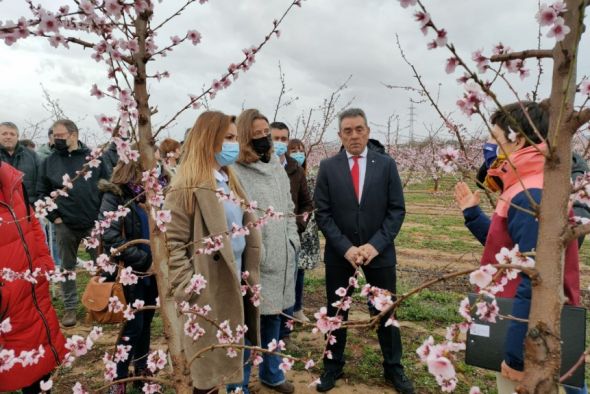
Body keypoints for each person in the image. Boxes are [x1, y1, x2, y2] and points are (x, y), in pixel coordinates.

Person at [454, 101, 582, 394]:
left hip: (530, 333)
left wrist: (516, 354)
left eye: (495, 139)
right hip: (534, 326)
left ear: (518, 139)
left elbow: (534, 279)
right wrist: (473, 215)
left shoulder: (530, 192)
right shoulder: (529, 183)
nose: (490, 146)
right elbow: (512, 253)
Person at [314, 108, 413, 393]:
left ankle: (394, 368)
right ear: (340, 135)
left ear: (368, 131)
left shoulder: (386, 164)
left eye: (359, 129)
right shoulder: (328, 167)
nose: (354, 135)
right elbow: (323, 213)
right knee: (336, 312)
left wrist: (375, 245)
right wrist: (345, 247)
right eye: (348, 131)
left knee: (385, 312)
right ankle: (332, 366)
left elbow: (397, 210)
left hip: (378, 252)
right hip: (340, 254)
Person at [164, 111, 261, 394]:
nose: (235, 144)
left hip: (236, 280)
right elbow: (174, 244)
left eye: (235, 138)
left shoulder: (229, 180)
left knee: (231, 356)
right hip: (209, 290)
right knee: (207, 370)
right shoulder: (186, 187)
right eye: (228, 138)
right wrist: (189, 287)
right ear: (210, 140)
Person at [233, 109, 299, 394]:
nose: (263, 139)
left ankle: (272, 374)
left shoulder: (277, 168)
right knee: (248, 324)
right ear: (245, 136)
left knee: (274, 318)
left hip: (284, 257)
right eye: (256, 134)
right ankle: (239, 383)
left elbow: (290, 208)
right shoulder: (236, 171)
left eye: (266, 134)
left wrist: (292, 241)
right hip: (255, 260)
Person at [0, 159, 67, 393]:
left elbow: (31, 224)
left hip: (33, 289)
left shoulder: (14, 184)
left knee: (39, 363)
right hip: (8, 300)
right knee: (18, 364)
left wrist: (44, 263)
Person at [37, 119, 108, 327]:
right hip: (65, 224)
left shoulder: (93, 158)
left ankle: (101, 303)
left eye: (60, 136)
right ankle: (70, 308)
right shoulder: (49, 162)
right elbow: (41, 192)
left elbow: (106, 186)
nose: (55, 139)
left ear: (74, 135)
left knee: (101, 264)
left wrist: (102, 214)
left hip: (93, 221)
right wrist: (55, 218)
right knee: (67, 267)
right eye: (53, 135)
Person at [98, 158, 158, 394]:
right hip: (131, 273)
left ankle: (141, 371)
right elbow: (112, 239)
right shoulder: (114, 197)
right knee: (134, 326)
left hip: (151, 274)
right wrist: (145, 261)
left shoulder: (149, 197)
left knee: (146, 324)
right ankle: (119, 378)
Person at [270, 122, 314, 334]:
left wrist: (297, 227)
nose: (279, 143)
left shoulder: (295, 170)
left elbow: (307, 204)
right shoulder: (261, 166)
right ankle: (268, 326)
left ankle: (286, 326)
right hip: (267, 238)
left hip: (290, 237)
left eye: (283, 139)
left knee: (290, 281)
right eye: (275, 138)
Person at [287, 138, 321, 323]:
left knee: (299, 272)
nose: (298, 153)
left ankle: (297, 308)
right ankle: (290, 308)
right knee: (290, 271)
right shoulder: (287, 174)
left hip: (308, 231)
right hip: (293, 228)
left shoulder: (311, 176)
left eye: (301, 150)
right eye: (294, 150)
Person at [0, 122, 41, 205]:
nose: (8, 137)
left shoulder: (32, 155)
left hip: (28, 207)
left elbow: (42, 181)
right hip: (2, 209)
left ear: (17, 137)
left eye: (12, 134)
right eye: (4, 134)